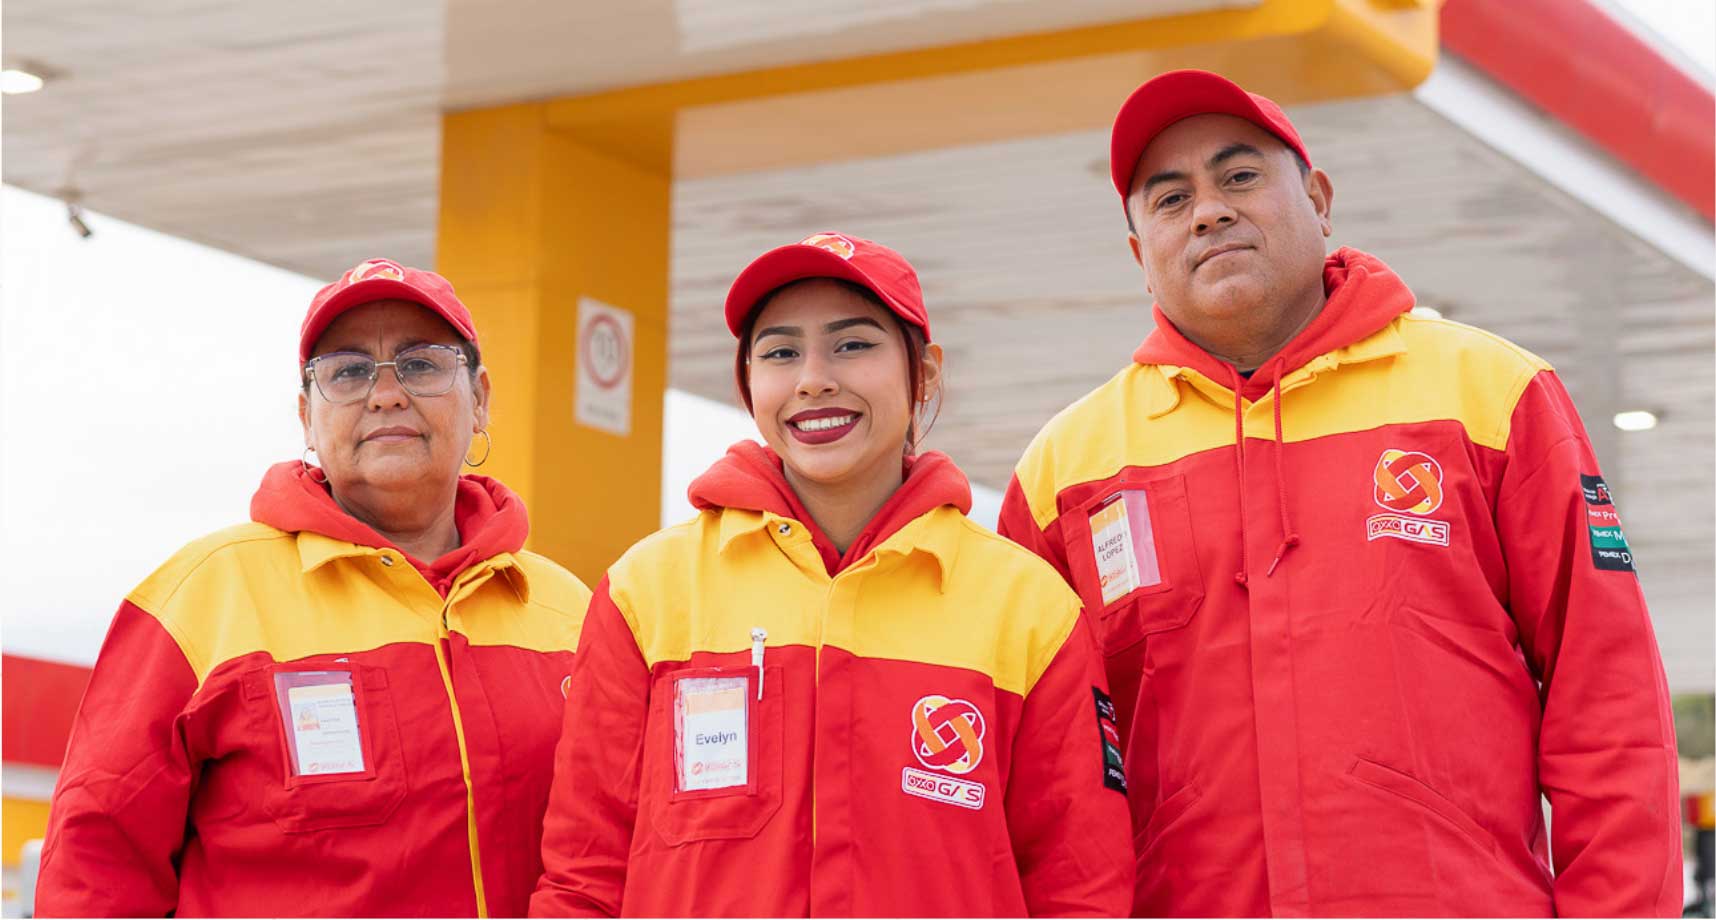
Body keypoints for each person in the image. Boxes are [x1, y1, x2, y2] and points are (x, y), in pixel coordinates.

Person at [997, 70, 1682, 916]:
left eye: (1239, 176)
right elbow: (1035, 785)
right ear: (1141, 256)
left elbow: (1610, 705)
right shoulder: (1065, 472)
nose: (1209, 212)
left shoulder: (1490, 395)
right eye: (1170, 200)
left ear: (1319, 200)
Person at [530, 233, 1132, 917]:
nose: (813, 379)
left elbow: (1081, 884)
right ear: (747, 383)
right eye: (780, 353)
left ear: (925, 374)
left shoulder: (1028, 607)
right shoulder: (648, 591)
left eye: (852, 344)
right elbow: (584, 877)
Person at [37, 259, 592, 917]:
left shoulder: (573, 614)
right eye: (348, 372)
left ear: (480, 400)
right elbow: (95, 865)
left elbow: (612, 854)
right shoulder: (207, 595)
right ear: (307, 416)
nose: (385, 394)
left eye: (421, 364)